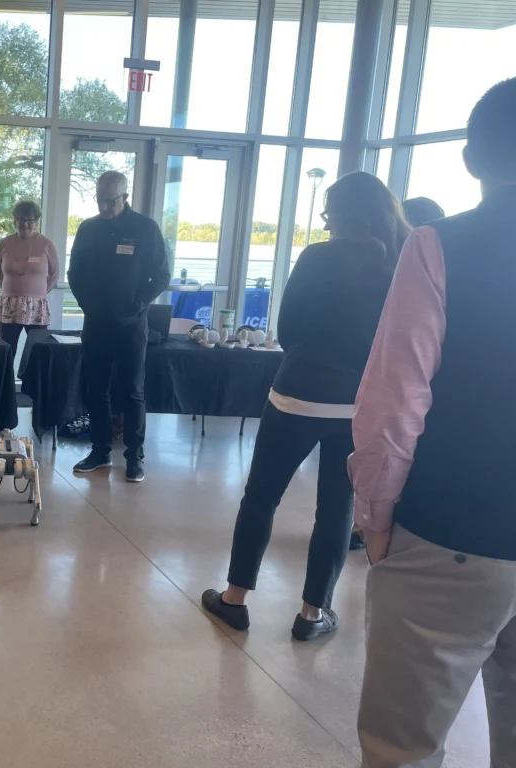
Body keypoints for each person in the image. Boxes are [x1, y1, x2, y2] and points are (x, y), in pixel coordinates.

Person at [351, 78, 516, 768]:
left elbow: (396, 401)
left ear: (473, 160)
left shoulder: (442, 245)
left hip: (453, 533)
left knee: (403, 748)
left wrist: (376, 521)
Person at [202, 171, 409, 642]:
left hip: (295, 394)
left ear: (341, 212)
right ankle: (312, 615)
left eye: (327, 211)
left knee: (261, 496)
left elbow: (289, 324)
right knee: (336, 509)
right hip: (355, 406)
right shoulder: (396, 264)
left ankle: (234, 600)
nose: (324, 219)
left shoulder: (316, 257)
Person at [68, 171, 171, 483]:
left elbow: (162, 276)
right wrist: (89, 305)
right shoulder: (88, 229)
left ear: (125, 197)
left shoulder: (145, 229)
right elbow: (75, 274)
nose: (104, 206)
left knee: (133, 391)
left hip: (131, 325)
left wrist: (137, 304)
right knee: (95, 389)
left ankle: (134, 457)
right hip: (97, 323)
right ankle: (100, 451)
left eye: (110, 201)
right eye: (100, 200)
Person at [0, 200, 60, 356]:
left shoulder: (47, 244)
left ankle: (32, 381)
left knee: (37, 352)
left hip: (37, 306)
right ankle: (7, 381)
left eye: (30, 220)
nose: (25, 224)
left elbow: (55, 274)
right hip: (10, 305)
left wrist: (38, 292)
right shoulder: (3, 244)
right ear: (14, 220)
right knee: (8, 350)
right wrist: (11, 288)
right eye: (21, 219)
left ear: (36, 221)